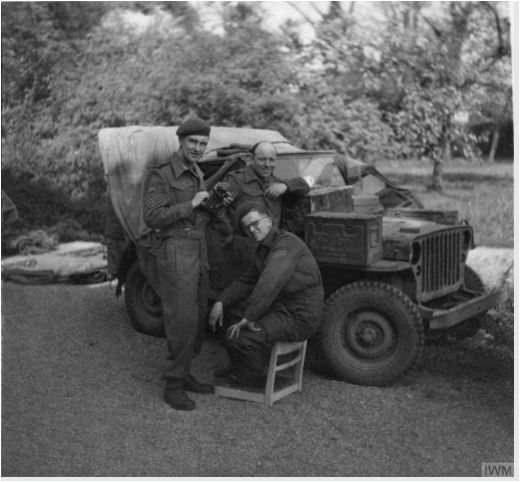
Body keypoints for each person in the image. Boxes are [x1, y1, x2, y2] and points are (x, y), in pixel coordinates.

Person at [141, 116, 215, 411]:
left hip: (198, 247)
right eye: (193, 142)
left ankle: (185, 373)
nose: (198, 148)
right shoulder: (161, 174)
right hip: (174, 249)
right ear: (180, 141)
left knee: (197, 317)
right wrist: (191, 205)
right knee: (181, 319)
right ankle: (173, 384)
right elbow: (153, 217)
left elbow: (199, 210)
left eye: (203, 144)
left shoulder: (197, 172)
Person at [208, 203, 324, 387]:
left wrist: (250, 316)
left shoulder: (286, 244)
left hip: (300, 316)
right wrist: (221, 301)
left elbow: (270, 281)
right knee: (228, 314)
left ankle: (251, 378)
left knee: (242, 337)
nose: (252, 230)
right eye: (247, 228)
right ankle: (239, 366)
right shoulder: (265, 247)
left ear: (268, 221)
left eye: (256, 223)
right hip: (283, 309)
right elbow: (247, 280)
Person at [218, 141, 310, 231]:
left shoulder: (276, 181)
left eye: (271, 160)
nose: (267, 164)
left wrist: (286, 185)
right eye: (262, 159)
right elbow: (215, 209)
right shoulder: (236, 180)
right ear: (251, 158)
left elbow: (304, 186)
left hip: (274, 240)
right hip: (246, 241)